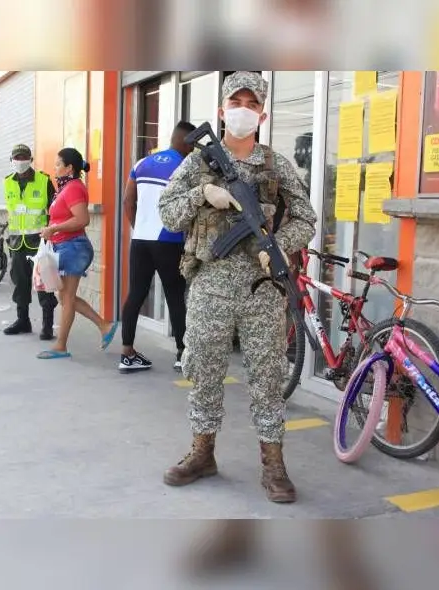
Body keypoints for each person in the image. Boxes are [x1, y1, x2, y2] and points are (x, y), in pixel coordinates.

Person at [158, 71, 317, 504]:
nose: (242, 110)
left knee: (267, 377)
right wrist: (202, 194)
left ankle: (274, 463)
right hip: (210, 283)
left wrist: (278, 246)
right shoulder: (198, 163)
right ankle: (202, 453)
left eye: (251, 103)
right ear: (221, 111)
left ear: (262, 113)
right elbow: (168, 213)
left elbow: (307, 218)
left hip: (261, 289)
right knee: (204, 369)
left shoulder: (276, 165)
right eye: (235, 102)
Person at [118, 121, 196, 373]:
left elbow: (128, 200)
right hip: (169, 239)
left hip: (140, 240)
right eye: (193, 145)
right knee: (174, 296)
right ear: (187, 143)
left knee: (136, 294)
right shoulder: (185, 165)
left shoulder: (141, 163)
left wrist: (139, 227)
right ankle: (181, 354)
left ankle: (127, 353)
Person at [36, 148, 118, 360]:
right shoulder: (66, 188)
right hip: (65, 246)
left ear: (69, 168)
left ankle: (61, 345)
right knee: (64, 296)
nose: (54, 168)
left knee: (67, 297)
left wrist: (53, 229)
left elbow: (82, 219)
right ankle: (104, 325)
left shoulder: (73, 188)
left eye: (57, 164)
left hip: (73, 247)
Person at [1, 144, 59, 340]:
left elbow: (55, 210)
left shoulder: (44, 181)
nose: (20, 161)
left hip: (40, 242)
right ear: (12, 160)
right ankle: (23, 321)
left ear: (30, 159)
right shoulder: (7, 182)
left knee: (45, 284)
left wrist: (52, 233)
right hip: (17, 242)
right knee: (20, 283)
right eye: (16, 157)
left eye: (23, 157)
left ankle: (47, 325)